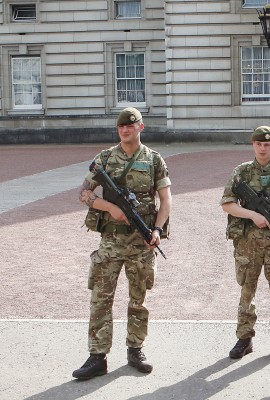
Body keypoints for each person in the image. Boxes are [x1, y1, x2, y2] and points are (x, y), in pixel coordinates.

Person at [73, 107, 172, 380]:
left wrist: (157, 230)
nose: (125, 130)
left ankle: (135, 350)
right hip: (111, 242)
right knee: (101, 299)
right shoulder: (104, 158)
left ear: (141, 127)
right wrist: (108, 207)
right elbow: (83, 192)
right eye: (121, 127)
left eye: (130, 126)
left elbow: (166, 200)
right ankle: (97, 356)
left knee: (138, 300)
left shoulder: (154, 160)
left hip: (142, 243)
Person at [220, 126, 270, 360]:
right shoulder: (242, 172)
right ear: (253, 145)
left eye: (268, 144)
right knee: (247, 291)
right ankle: (244, 339)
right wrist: (253, 215)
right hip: (248, 243)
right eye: (259, 144)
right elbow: (227, 203)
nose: (263, 148)